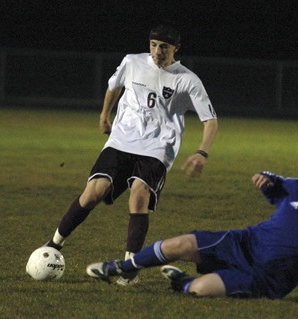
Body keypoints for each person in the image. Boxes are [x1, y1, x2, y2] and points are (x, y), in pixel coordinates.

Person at [43, 24, 218, 286]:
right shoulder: (132, 62)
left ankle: (129, 268)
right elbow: (114, 87)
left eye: (164, 47)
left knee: (138, 196)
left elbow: (211, 120)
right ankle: (53, 245)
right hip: (122, 139)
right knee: (92, 193)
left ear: (175, 49)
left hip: (158, 147)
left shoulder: (187, 79)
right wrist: (104, 115)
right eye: (153, 45)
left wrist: (202, 152)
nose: (157, 51)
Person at [86, 150, 298, 303]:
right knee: (178, 245)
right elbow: (276, 185)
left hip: (264, 279)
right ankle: (121, 268)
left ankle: (182, 282)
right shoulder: (297, 187)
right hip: (242, 242)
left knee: (199, 290)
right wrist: (265, 179)